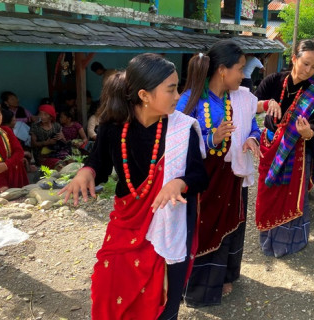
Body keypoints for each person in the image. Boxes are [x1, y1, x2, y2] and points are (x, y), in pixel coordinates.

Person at [61, 54, 209, 319]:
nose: (179, 95)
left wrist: (180, 182)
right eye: (172, 89)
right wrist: (87, 171)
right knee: (108, 286)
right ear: (144, 94)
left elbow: (200, 177)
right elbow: (100, 163)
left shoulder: (182, 130)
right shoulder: (113, 126)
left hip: (170, 223)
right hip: (127, 221)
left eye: (178, 87)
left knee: (164, 300)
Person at [177, 40, 261, 307]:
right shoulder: (189, 100)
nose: (243, 75)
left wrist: (252, 139)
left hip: (231, 178)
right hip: (203, 183)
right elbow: (177, 142)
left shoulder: (239, 98)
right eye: (239, 68)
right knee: (204, 231)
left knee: (230, 228)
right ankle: (198, 290)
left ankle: (225, 276)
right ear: (222, 70)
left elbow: (254, 126)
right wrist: (211, 138)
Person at [255, 39, 314, 257]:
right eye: (305, 63)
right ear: (294, 58)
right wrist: (265, 105)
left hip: (297, 152)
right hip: (269, 148)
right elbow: (251, 107)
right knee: (268, 193)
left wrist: (309, 133)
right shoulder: (273, 81)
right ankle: (268, 236)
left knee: (290, 196)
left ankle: (290, 241)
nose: (309, 70)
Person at [0, 102, 29, 195]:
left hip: (15, 172)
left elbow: (19, 152)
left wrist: (6, 165)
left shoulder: (6, 130)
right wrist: (2, 185)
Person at [30, 104, 69, 169]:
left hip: (56, 151)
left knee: (70, 159)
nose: (42, 116)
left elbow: (64, 141)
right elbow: (33, 144)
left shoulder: (56, 125)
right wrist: (46, 143)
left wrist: (61, 138)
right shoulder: (35, 126)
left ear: (51, 117)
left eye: (45, 114)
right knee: (60, 164)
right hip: (42, 155)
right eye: (40, 114)